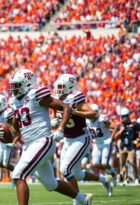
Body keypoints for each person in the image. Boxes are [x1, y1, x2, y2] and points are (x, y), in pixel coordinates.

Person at [6, 69, 92, 205]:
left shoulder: (36, 94)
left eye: (16, 84)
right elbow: (17, 130)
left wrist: (60, 129)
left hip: (42, 141)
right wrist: (6, 133)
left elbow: (66, 108)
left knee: (18, 175)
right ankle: (83, 199)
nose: (13, 88)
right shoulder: (14, 101)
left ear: (26, 84)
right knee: (51, 185)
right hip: (30, 145)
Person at [52, 74, 112, 201]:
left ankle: (79, 200)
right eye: (58, 86)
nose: (59, 89)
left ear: (69, 86)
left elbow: (93, 115)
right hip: (67, 140)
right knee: (77, 175)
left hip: (81, 138)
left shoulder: (74, 98)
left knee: (65, 169)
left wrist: (75, 112)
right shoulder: (56, 99)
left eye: (62, 86)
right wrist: (53, 123)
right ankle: (104, 179)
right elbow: (57, 119)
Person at [86, 104, 117, 186]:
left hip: (106, 142)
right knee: (95, 163)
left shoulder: (102, 119)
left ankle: (113, 174)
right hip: (97, 143)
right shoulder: (87, 121)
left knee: (104, 163)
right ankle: (109, 171)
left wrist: (110, 138)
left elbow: (114, 127)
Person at [0, 94, 18, 177]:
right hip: (1, 140)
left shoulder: (8, 114)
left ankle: (20, 171)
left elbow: (18, 130)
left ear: (2, 104)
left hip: (8, 141)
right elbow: (0, 130)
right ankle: (19, 169)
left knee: (6, 164)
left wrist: (13, 142)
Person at [114, 108, 140, 185]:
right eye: (123, 116)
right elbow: (115, 137)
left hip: (131, 146)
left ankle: (136, 178)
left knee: (132, 162)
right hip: (122, 146)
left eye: (125, 116)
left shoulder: (134, 123)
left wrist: (137, 140)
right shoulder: (119, 125)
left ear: (128, 116)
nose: (124, 118)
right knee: (122, 163)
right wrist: (121, 130)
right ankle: (126, 179)